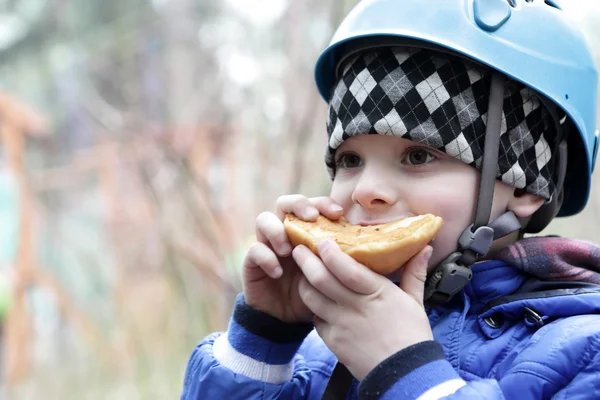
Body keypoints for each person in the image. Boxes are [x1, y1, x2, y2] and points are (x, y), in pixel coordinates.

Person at [180, 0, 600, 398]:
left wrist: (407, 371)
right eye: (350, 159)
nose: (364, 189)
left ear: (526, 184)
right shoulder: (323, 343)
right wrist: (264, 337)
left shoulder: (582, 352)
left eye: (418, 155)